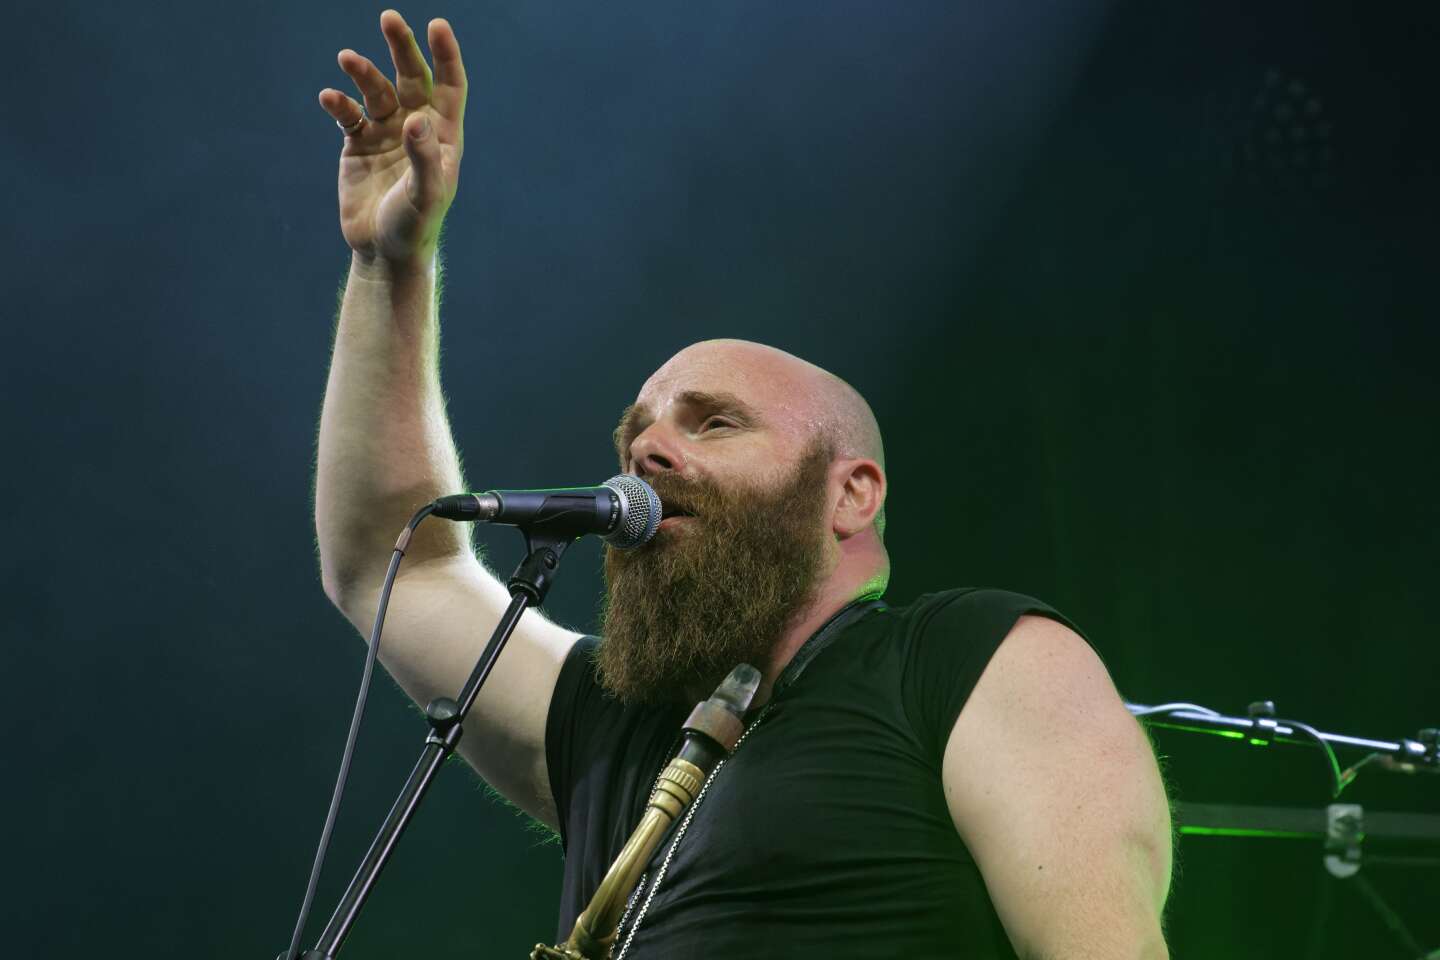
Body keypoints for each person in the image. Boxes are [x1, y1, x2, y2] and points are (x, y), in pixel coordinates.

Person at [314, 10, 1173, 958]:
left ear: (852, 494)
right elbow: (393, 563)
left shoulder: (973, 662)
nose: (647, 452)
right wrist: (391, 264)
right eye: (636, 434)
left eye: (713, 422)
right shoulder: (623, 722)